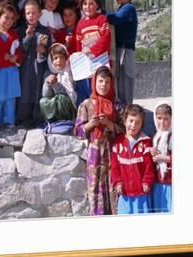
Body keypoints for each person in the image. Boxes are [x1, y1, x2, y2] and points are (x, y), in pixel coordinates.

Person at [75, 66, 124, 215]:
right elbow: (78, 132)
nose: (103, 85)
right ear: (94, 82)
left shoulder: (117, 105)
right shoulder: (86, 105)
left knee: (113, 186)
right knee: (95, 188)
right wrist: (92, 124)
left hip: (113, 153)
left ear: (111, 84)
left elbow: (125, 131)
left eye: (107, 82)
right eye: (100, 81)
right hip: (94, 154)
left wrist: (109, 124)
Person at [111, 104, 155, 214]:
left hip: (141, 194)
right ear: (125, 121)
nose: (133, 125)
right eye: (131, 121)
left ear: (142, 125)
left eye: (137, 122)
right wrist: (118, 182)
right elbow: (115, 168)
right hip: (125, 194)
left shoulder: (146, 143)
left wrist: (147, 181)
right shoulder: (118, 143)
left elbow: (149, 167)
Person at [0, 4, 23, 129]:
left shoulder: (14, 34)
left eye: (12, 19)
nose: (9, 21)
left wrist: (16, 57)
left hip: (12, 71)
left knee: (10, 98)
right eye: (6, 17)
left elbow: (19, 50)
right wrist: (5, 57)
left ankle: (9, 122)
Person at [17, 0, 52, 126]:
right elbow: (20, 49)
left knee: (38, 91)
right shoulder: (20, 30)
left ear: (40, 14)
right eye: (28, 13)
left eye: (33, 13)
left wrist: (44, 50)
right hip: (25, 67)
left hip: (39, 67)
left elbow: (51, 51)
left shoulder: (45, 31)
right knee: (25, 91)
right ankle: (23, 119)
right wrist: (28, 37)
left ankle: (38, 118)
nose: (31, 16)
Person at [75, 0, 112, 102]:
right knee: (88, 89)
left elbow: (106, 38)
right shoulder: (80, 24)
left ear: (97, 5)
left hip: (101, 61)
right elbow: (78, 44)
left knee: (102, 87)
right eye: (85, 4)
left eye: (91, 3)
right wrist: (80, 55)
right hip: (87, 62)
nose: (87, 6)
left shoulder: (102, 19)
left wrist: (92, 50)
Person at [107, 0, 138, 106]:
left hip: (126, 51)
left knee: (126, 81)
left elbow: (115, 19)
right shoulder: (122, 8)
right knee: (119, 82)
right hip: (121, 49)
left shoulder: (128, 8)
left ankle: (128, 110)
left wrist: (102, 14)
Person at [40, 43, 77, 134]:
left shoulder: (69, 73)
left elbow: (70, 95)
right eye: (55, 58)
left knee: (61, 98)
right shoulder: (50, 74)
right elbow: (46, 96)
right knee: (43, 101)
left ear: (66, 59)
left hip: (69, 108)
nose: (59, 61)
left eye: (61, 58)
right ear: (51, 60)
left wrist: (56, 84)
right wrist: (48, 84)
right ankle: (53, 121)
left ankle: (66, 120)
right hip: (56, 108)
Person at [150, 101, 173, 213]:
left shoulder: (173, 136)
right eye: (159, 118)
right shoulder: (155, 136)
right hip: (158, 182)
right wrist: (152, 151)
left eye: (166, 118)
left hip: (170, 183)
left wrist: (161, 158)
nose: (162, 122)